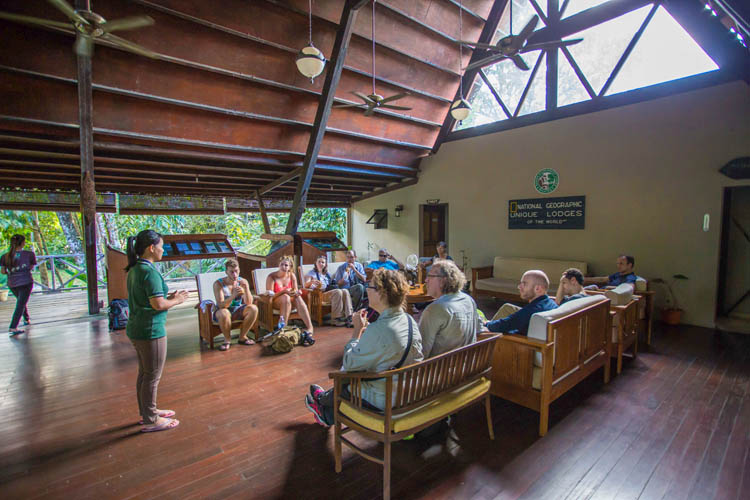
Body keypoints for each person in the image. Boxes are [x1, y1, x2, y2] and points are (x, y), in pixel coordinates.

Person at [304, 269, 423, 427]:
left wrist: (357, 331)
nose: (366, 289)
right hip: (410, 390)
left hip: (386, 398)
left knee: (346, 377)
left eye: (371, 287)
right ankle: (323, 403)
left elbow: (349, 363)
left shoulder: (380, 329)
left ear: (381, 293)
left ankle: (322, 406)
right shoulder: (408, 320)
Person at [125, 230, 188, 433]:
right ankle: (151, 419)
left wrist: (169, 296)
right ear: (151, 248)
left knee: (145, 374)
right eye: (161, 246)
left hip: (136, 327)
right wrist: (177, 300)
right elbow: (158, 305)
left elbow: (149, 299)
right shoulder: (149, 272)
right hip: (150, 330)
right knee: (152, 376)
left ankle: (148, 412)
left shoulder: (135, 268)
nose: (163, 249)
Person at [419, 260, 481, 358]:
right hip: (467, 367)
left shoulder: (435, 309)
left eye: (430, 276)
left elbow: (421, 352)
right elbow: (479, 329)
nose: (426, 280)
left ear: (443, 280)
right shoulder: (469, 300)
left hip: (440, 371)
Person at [484, 270, 558, 336]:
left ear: (538, 289)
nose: (519, 287)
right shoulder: (550, 302)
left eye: (524, 284)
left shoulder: (533, 309)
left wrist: (486, 324)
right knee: (507, 307)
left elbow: (506, 324)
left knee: (485, 330)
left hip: (522, 344)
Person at [213, 258, 259, 351]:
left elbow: (248, 303)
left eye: (236, 271)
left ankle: (242, 337)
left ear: (239, 270)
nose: (235, 275)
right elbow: (221, 305)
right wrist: (233, 296)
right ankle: (227, 340)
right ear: (226, 272)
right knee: (224, 313)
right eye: (231, 272)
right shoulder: (219, 284)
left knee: (253, 308)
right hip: (222, 310)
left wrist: (246, 289)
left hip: (238, 309)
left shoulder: (242, 281)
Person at [265, 256, 314, 337]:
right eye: (282, 264)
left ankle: (310, 327)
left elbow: (294, 290)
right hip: (275, 302)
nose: (284, 267)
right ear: (279, 265)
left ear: (290, 267)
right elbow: (270, 296)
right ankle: (283, 329)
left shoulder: (292, 276)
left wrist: (298, 292)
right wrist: (284, 291)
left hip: (290, 301)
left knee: (297, 297)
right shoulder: (271, 277)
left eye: (286, 265)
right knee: (285, 297)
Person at [1, 234, 36, 336]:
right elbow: (31, 267)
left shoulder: (5, 256)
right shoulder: (29, 254)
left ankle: (26, 318)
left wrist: (12, 273)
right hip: (26, 282)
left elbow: (3, 271)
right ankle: (13, 327)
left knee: (21, 301)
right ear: (23, 243)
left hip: (12, 283)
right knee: (21, 303)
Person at [304, 255, 353, 327]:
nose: (321, 264)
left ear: (325, 264)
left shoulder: (327, 274)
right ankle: (336, 319)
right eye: (319, 262)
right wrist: (312, 282)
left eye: (323, 262)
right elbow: (305, 285)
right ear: (316, 263)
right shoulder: (311, 273)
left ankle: (349, 317)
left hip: (329, 293)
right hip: (319, 295)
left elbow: (333, 283)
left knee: (345, 291)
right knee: (338, 292)